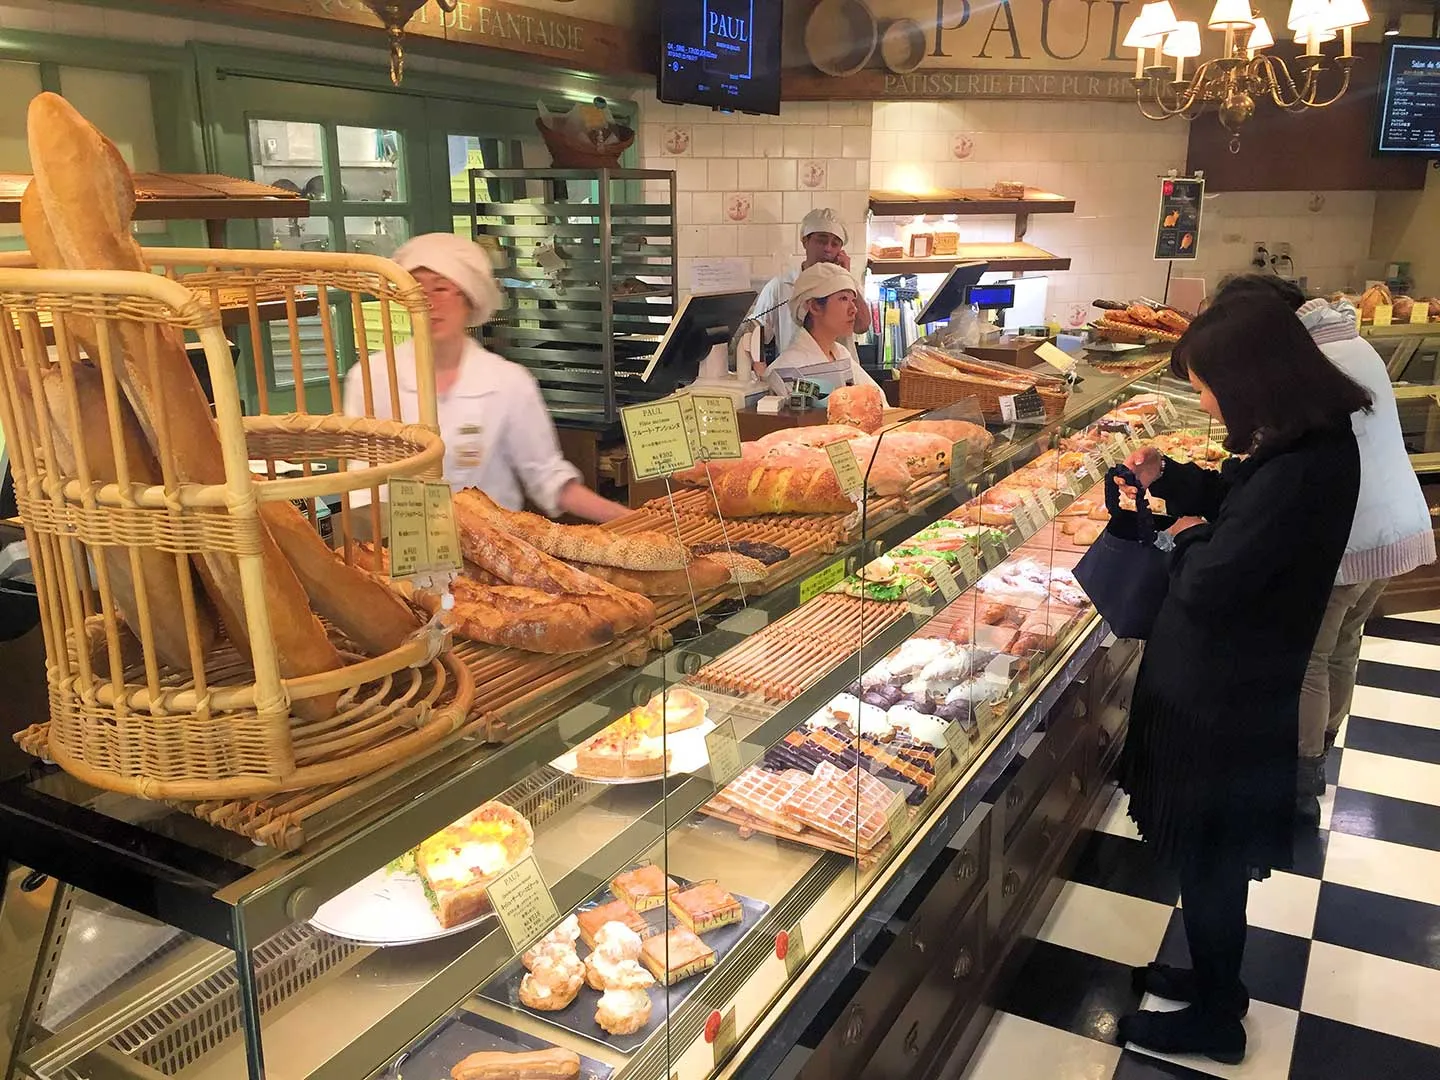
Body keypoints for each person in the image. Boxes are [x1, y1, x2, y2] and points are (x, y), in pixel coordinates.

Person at [1114, 292, 1371, 1064]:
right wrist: (1181, 486)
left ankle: (1217, 1014)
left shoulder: (1305, 467)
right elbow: (1244, 509)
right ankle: (1211, 976)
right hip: (1235, 686)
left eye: (1205, 384)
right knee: (1208, 858)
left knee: (1211, 855)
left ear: (1253, 380)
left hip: (1223, 699)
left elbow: (1217, 579)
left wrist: (1181, 541)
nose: (1201, 398)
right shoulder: (1308, 445)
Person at [1212, 274, 1435, 824]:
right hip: (1396, 522)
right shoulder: (1349, 341)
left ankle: (1300, 776)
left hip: (1347, 533)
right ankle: (1323, 744)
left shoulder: (1311, 361)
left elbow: (1286, 444)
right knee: (1344, 643)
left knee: (1308, 656)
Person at [342, 233, 627, 523]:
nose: (427, 302)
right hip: (401, 555)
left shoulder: (508, 382)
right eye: (416, 289)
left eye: (441, 289)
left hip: (495, 553)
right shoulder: (371, 378)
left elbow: (547, 476)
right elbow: (363, 485)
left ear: (469, 298)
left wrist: (628, 521)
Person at [750, 208, 870, 358]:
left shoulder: (846, 283)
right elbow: (756, 334)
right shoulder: (781, 286)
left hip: (842, 371)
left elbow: (862, 326)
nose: (828, 249)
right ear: (805, 241)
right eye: (821, 240)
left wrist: (846, 277)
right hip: (796, 372)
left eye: (835, 244)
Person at [771, 262, 880, 395]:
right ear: (815, 306)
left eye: (853, 300)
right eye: (843, 299)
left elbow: (878, 399)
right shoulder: (788, 370)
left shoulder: (841, 354)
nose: (854, 309)